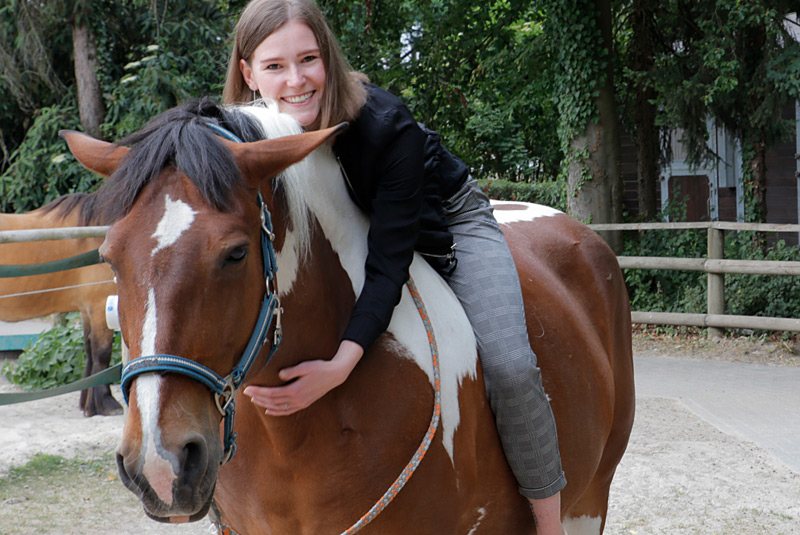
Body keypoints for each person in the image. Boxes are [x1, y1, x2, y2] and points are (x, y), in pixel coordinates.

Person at [224, 1, 567, 532]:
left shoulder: (385, 126)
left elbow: (388, 263)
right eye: (274, 66)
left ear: (328, 58)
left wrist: (339, 365)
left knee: (510, 366)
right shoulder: (240, 141)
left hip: (441, 225)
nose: (295, 81)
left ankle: (548, 521)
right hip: (350, 227)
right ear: (247, 72)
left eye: (309, 59)